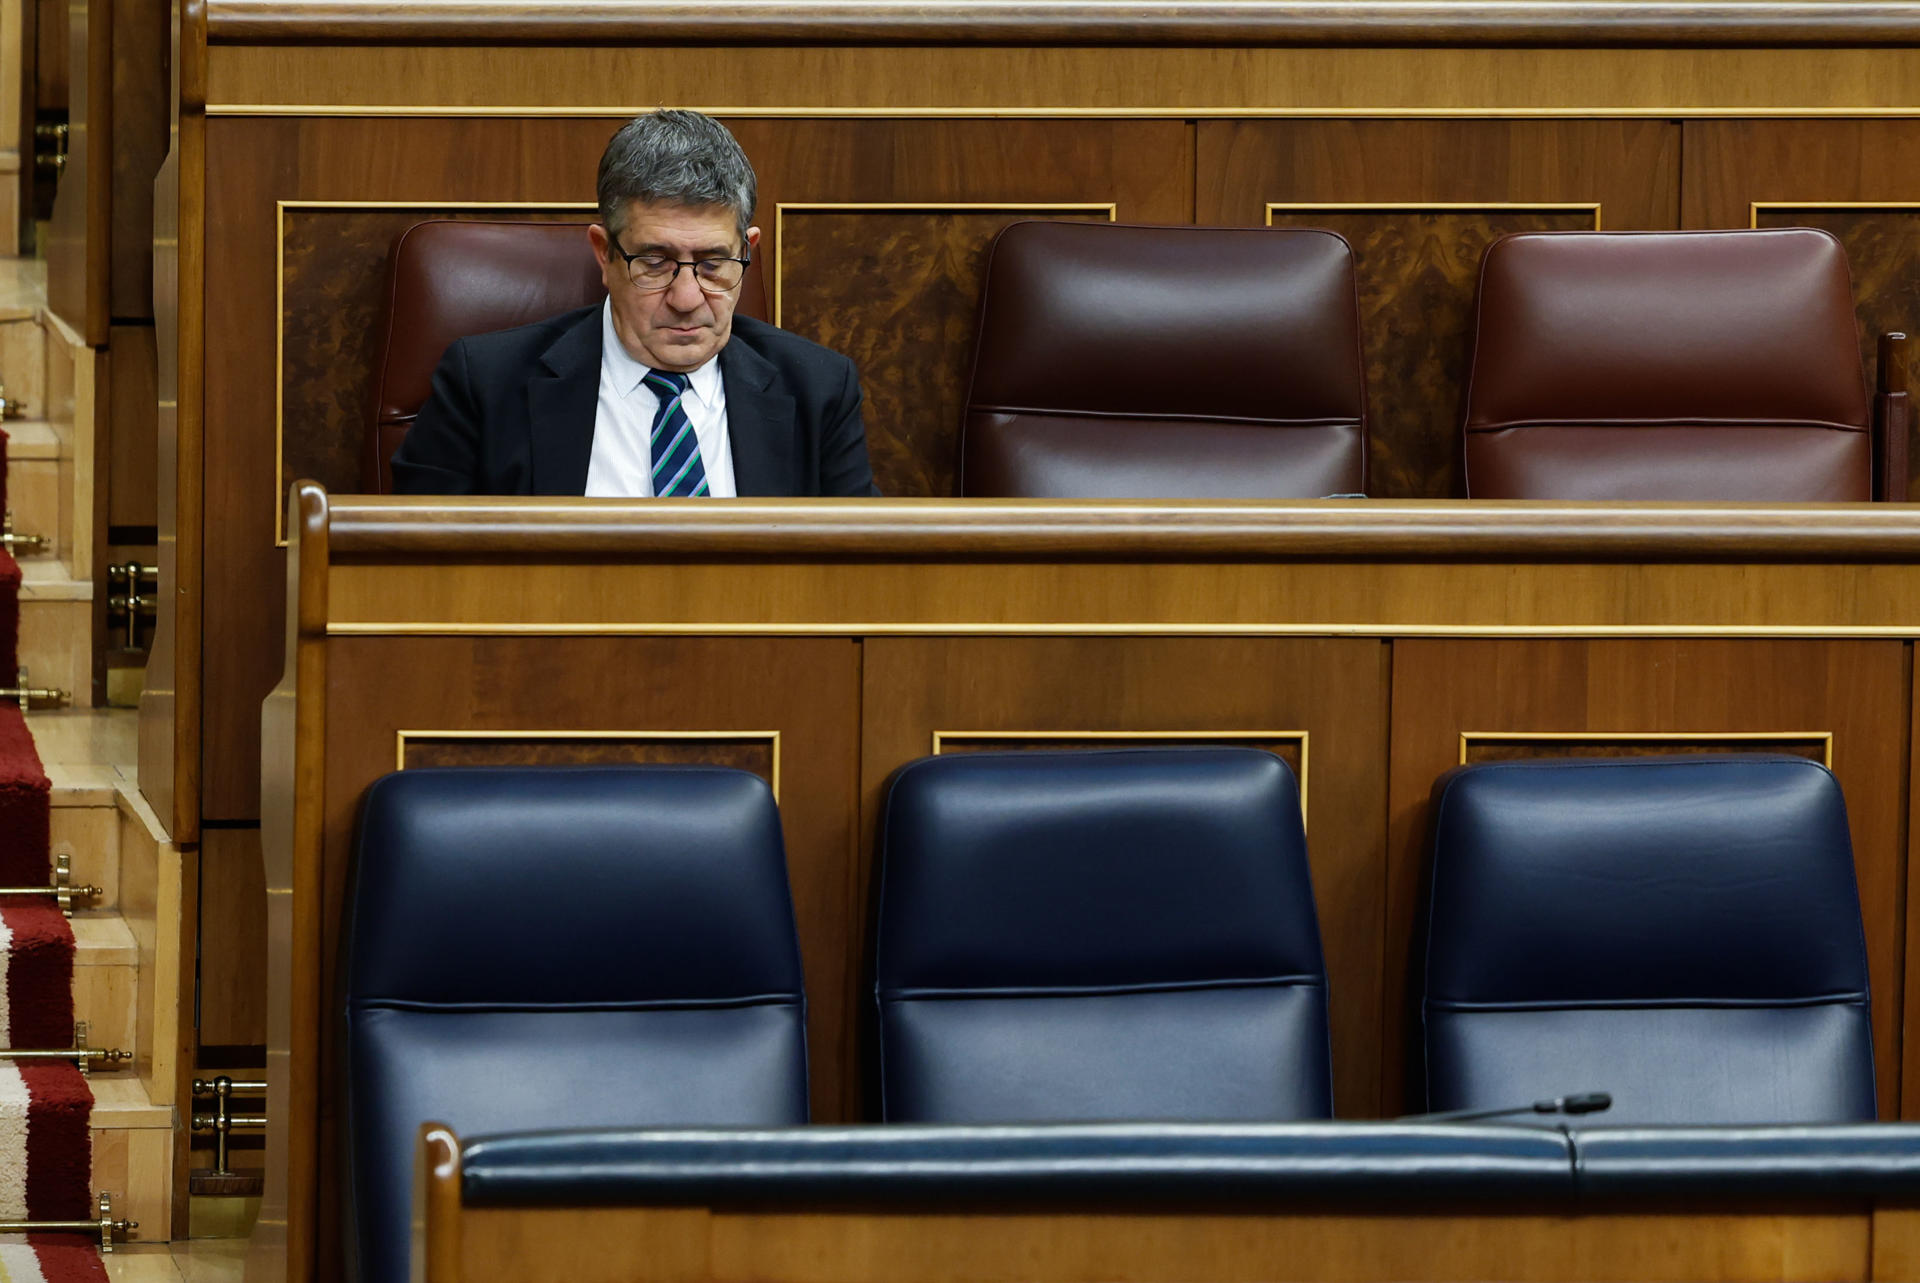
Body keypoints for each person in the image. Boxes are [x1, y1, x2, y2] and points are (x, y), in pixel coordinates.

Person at [390, 110, 878, 496]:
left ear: (747, 249)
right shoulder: (486, 386)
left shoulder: (819, 389)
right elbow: (422, 578)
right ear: (604, 254)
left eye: (713, 263)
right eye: (654, 262)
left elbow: (861, 578)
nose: (687, 300)